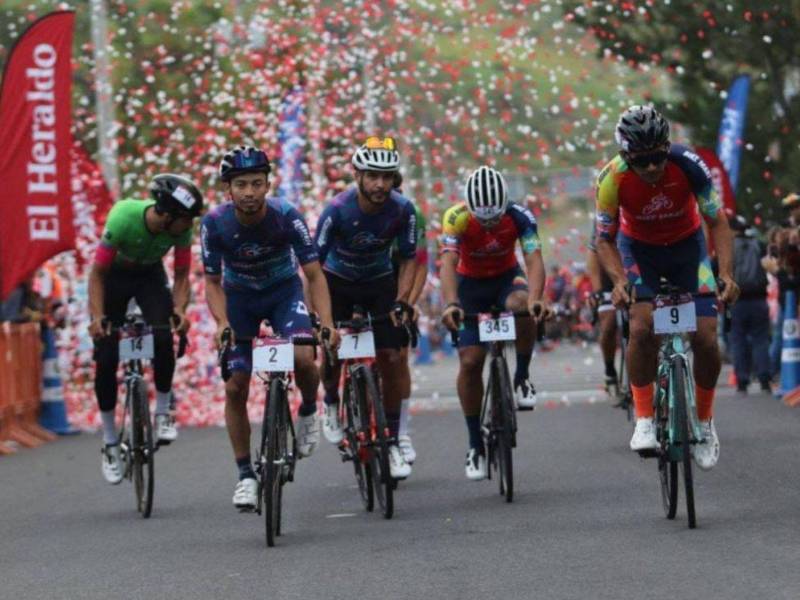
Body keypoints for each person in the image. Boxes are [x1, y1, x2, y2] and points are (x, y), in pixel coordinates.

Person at [595, 105, 739, 470]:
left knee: (707, 338)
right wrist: (620, 281)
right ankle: (644, 419)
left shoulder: (688, 164)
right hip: (638, 251)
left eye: (658, 157)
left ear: (667, 147)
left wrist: (727, 274)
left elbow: (717, 223)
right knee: (641, 328)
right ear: (627, 156)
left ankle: (704, 423)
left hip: (687, 249)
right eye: (641, 161)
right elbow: (604, 240)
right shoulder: (611, 179)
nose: (652, 167)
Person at [201, 145, 338, 510]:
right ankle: (246, 475)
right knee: (235, 387)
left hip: (282, 292)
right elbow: (212, 282)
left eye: (257, 184)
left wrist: (324, 322)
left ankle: (309, 409)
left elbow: (313, 273)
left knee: (305, 358)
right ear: (228, 189)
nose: (249, 192)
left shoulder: (286, 216)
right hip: (239, 298)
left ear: (267, 185)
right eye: (241, 184)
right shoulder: (214, 223)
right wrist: (223, 323)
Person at [88, 174, 203, 484]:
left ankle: (163, 411)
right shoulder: (123, 217)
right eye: (185, 220)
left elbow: (180, 276)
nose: (189, 226)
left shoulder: (180, 229)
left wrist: (179, 309)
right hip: (114, 279)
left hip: (149, 278)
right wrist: (97, 317)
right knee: (108, 356)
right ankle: (111, 442)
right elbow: (97, 274)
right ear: (166, 215)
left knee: (164, 333)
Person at [315, 136, 417, 480]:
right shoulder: (337, 210)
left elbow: (408, 260)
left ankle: (389, 440)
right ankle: (330, 400)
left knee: (391, 356)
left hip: (378, 282)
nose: (380, 184)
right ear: (357, 175)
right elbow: (312, 266)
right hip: (337, 280)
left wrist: (402, 301)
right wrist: (323, 319)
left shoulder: (403, 210)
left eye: (387, 177)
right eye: (372, 176)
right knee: (331, 348)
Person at [440, 166, 547, 480]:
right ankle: (475, 445)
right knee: (471, 362)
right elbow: (447, 263)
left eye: (493, 218)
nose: (487, 225)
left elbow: (534, 259)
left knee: (523, 306)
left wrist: (537, 298)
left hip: (505, 279)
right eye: (482, 219)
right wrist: (450, 303)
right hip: (469, 286)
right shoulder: (456, 217)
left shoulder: (520, 217)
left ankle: (522, 376)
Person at [391, 172, 428, 466]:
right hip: (364, 278)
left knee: (399, 357)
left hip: (400, 279)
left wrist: (409, 303)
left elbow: (420, 265)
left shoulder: (411, 214)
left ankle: (401, 433)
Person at [728, 216, 771, 394]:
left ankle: (742, 379)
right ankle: (764, 378)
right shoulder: (758, 245)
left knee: (738, 340)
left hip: (738, 300)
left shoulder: (729, 248)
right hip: (759, 299)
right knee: (761, 339)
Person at [586, 222, 619, 393]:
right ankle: (610, 370)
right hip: (607, 273)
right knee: (608, 324)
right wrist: (597, 290)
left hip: (634, 266)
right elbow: (593, 251)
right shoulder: (605, 212)